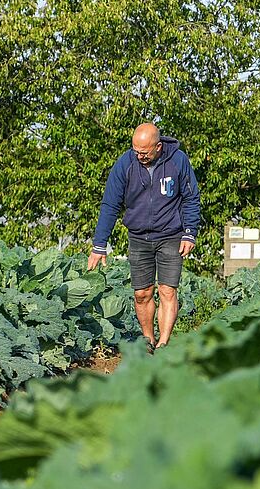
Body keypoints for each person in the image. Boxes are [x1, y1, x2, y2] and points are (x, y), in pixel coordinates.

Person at [87, 123, 201, 352]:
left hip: (171, 235)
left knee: (167, 290)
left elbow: (191, 198)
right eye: (136, 150)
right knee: (142, 293)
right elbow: (110, 204)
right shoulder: (125, 163)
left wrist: (190, 232)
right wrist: (100, 245)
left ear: (158, 146)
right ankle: (148, 339)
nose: (139, 155)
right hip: (139, 237)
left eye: (144, 152)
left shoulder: (178, 161)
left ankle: (164, 343)